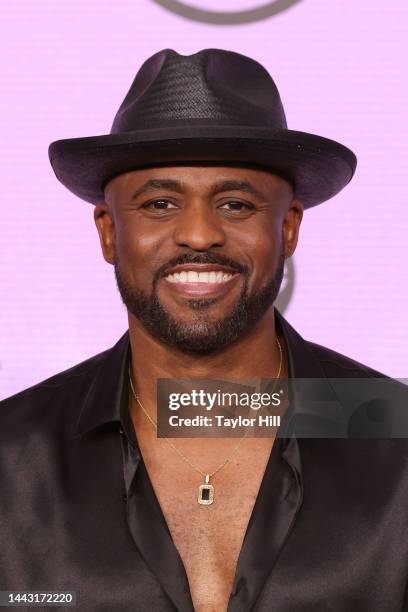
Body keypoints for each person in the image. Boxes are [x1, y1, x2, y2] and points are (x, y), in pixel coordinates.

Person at [1, 48, 407, 612]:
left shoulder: (397, 440)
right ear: (107, 232)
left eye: (236, 204)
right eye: (160, 203)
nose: (198, 234)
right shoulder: (11, 454)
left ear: (287, 228)